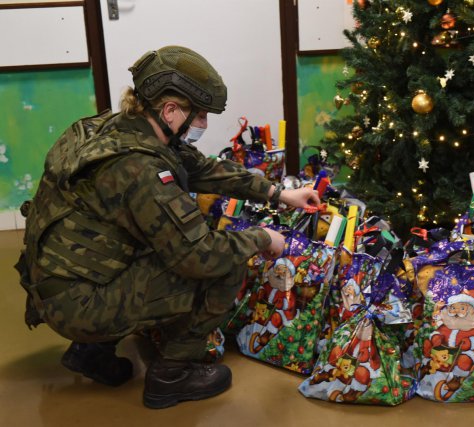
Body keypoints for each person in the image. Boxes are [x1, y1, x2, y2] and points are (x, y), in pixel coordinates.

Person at [14, 45, 319, 409]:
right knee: (225, 262)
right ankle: (172, 375)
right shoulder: (140, 169)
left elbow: (199, 168)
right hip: (79, 304)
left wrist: (278, 193)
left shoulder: (110, 128)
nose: (203, 124)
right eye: (200, 114)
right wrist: (262, 237)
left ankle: (90, 352)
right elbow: (200, 257)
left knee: (154, 236)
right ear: (170, 110)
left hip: (55, 284)